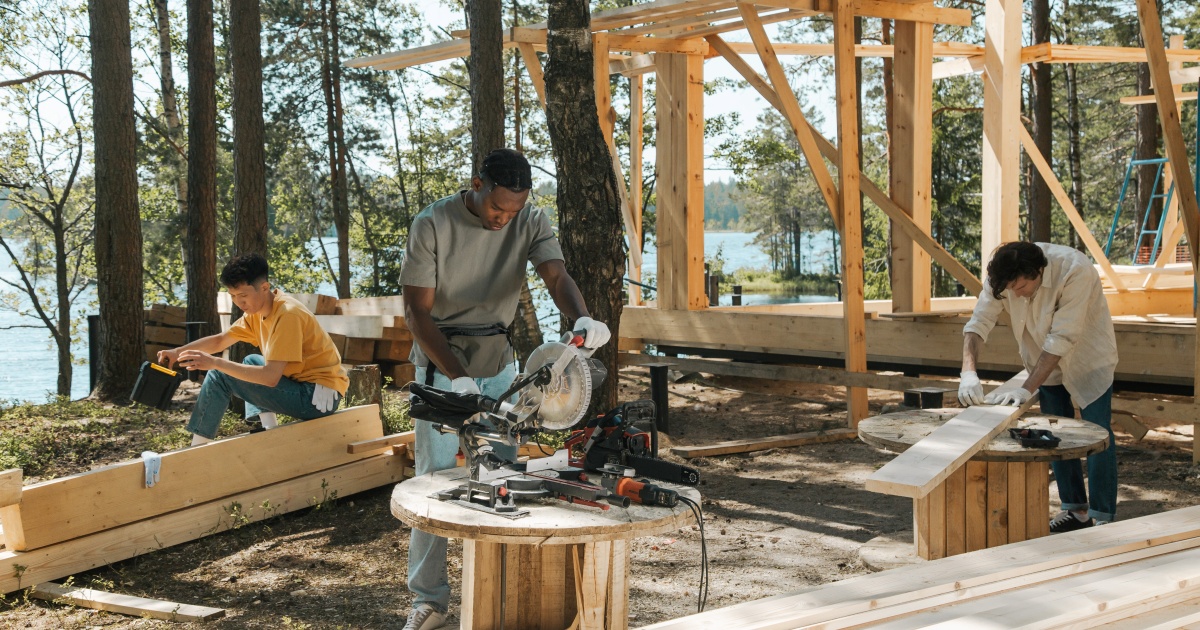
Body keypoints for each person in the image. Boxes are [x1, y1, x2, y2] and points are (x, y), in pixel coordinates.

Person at [398, 148, 611, 630]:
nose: (503, 219)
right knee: (433, 482)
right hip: (442, 367)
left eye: (513, 211)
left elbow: (555, 274)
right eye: (497, 208)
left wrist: (580, 315)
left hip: (499, 362)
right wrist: (457, 377)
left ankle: (498, 591)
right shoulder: (432, 224)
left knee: (500, 476)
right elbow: (417, 313)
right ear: (476, 184)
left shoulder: (530, 220)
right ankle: (428, 600)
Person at [958, 241, 1118, 533]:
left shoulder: (1074, 270)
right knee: (1052, 437)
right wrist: (968, 371)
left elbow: (1062, 338)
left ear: (1039, 272)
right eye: (1010, 290)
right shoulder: (1003, 276)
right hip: (1042, 364)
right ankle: (1076, 512)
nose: (1015, 295)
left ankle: (1103, 516)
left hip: (1087, 360)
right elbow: (978, 322)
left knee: (1098, 436)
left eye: (1020, 288)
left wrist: (1026, 388)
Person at [159, 253, 349, 446]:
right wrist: (177, 352)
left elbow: (270, 377)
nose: (239, 303)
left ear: (264, 288)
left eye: (243, 296)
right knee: (251, 360)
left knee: (219, 374)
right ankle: (269, 432)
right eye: (232, 296)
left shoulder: (288, 316)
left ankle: (196, 449)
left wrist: (215, 362)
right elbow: (220, 341)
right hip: (305, 387)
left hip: (317, 398)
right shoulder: (256, 313)